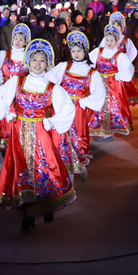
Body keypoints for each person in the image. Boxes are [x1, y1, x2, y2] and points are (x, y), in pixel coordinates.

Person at [0, 38, 76, 233]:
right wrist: (7, 113)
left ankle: (46, 204)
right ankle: (27, 213)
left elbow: (67, 108)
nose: (38, 64)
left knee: (44, 169)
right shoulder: (17, 81)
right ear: (28, 61)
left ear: (48, 63)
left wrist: (51, 122)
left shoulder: (52, 87)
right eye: (34, 59)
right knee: (22, 171)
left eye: (42, 60)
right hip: (19, 134)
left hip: (41, 135)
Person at [47, 31, 105, 181]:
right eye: (73, 50)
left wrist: (84, 102)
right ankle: (66, 170)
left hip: (78, 111)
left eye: (79, 50)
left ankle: (80, 165)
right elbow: (48, 81)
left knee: (77, 137)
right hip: (62, 107)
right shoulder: (64, 66)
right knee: (61, 136)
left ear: (85, 51)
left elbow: (99, 93)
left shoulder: (92, 72)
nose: (76, 53)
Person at [0, 23, 30, 149]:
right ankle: (6, 145)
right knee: (6, 118)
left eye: (21, 39)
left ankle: (19, 144)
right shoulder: (4, 54)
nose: (17, 42)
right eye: (15, 38)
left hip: (21, 95)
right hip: (5, 93)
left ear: (26, 42)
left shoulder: (29, 57)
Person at [88, 24, 135, 138]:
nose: (108, 42)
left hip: (114, 85)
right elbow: (89, 63)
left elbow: (127, 70)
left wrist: (118, 77)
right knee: (100, 105)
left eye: (112, 40)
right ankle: (104, 131)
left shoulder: (119, 55)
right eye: (107, 39)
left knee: (116, 106)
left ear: (116, 42)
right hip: (100, 83)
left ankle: (120, 126)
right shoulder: (98, 52)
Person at [109, 12, 138, 105]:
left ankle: (122, 102)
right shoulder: (107, 39)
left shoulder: (126, 40)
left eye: (118, 27)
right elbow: (101, 51)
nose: (117, 29)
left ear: (122, 28)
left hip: (121, 69)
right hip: (110, 68)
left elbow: (133, 52)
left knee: (122, 87)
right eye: (114, 27)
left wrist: (126, 61)